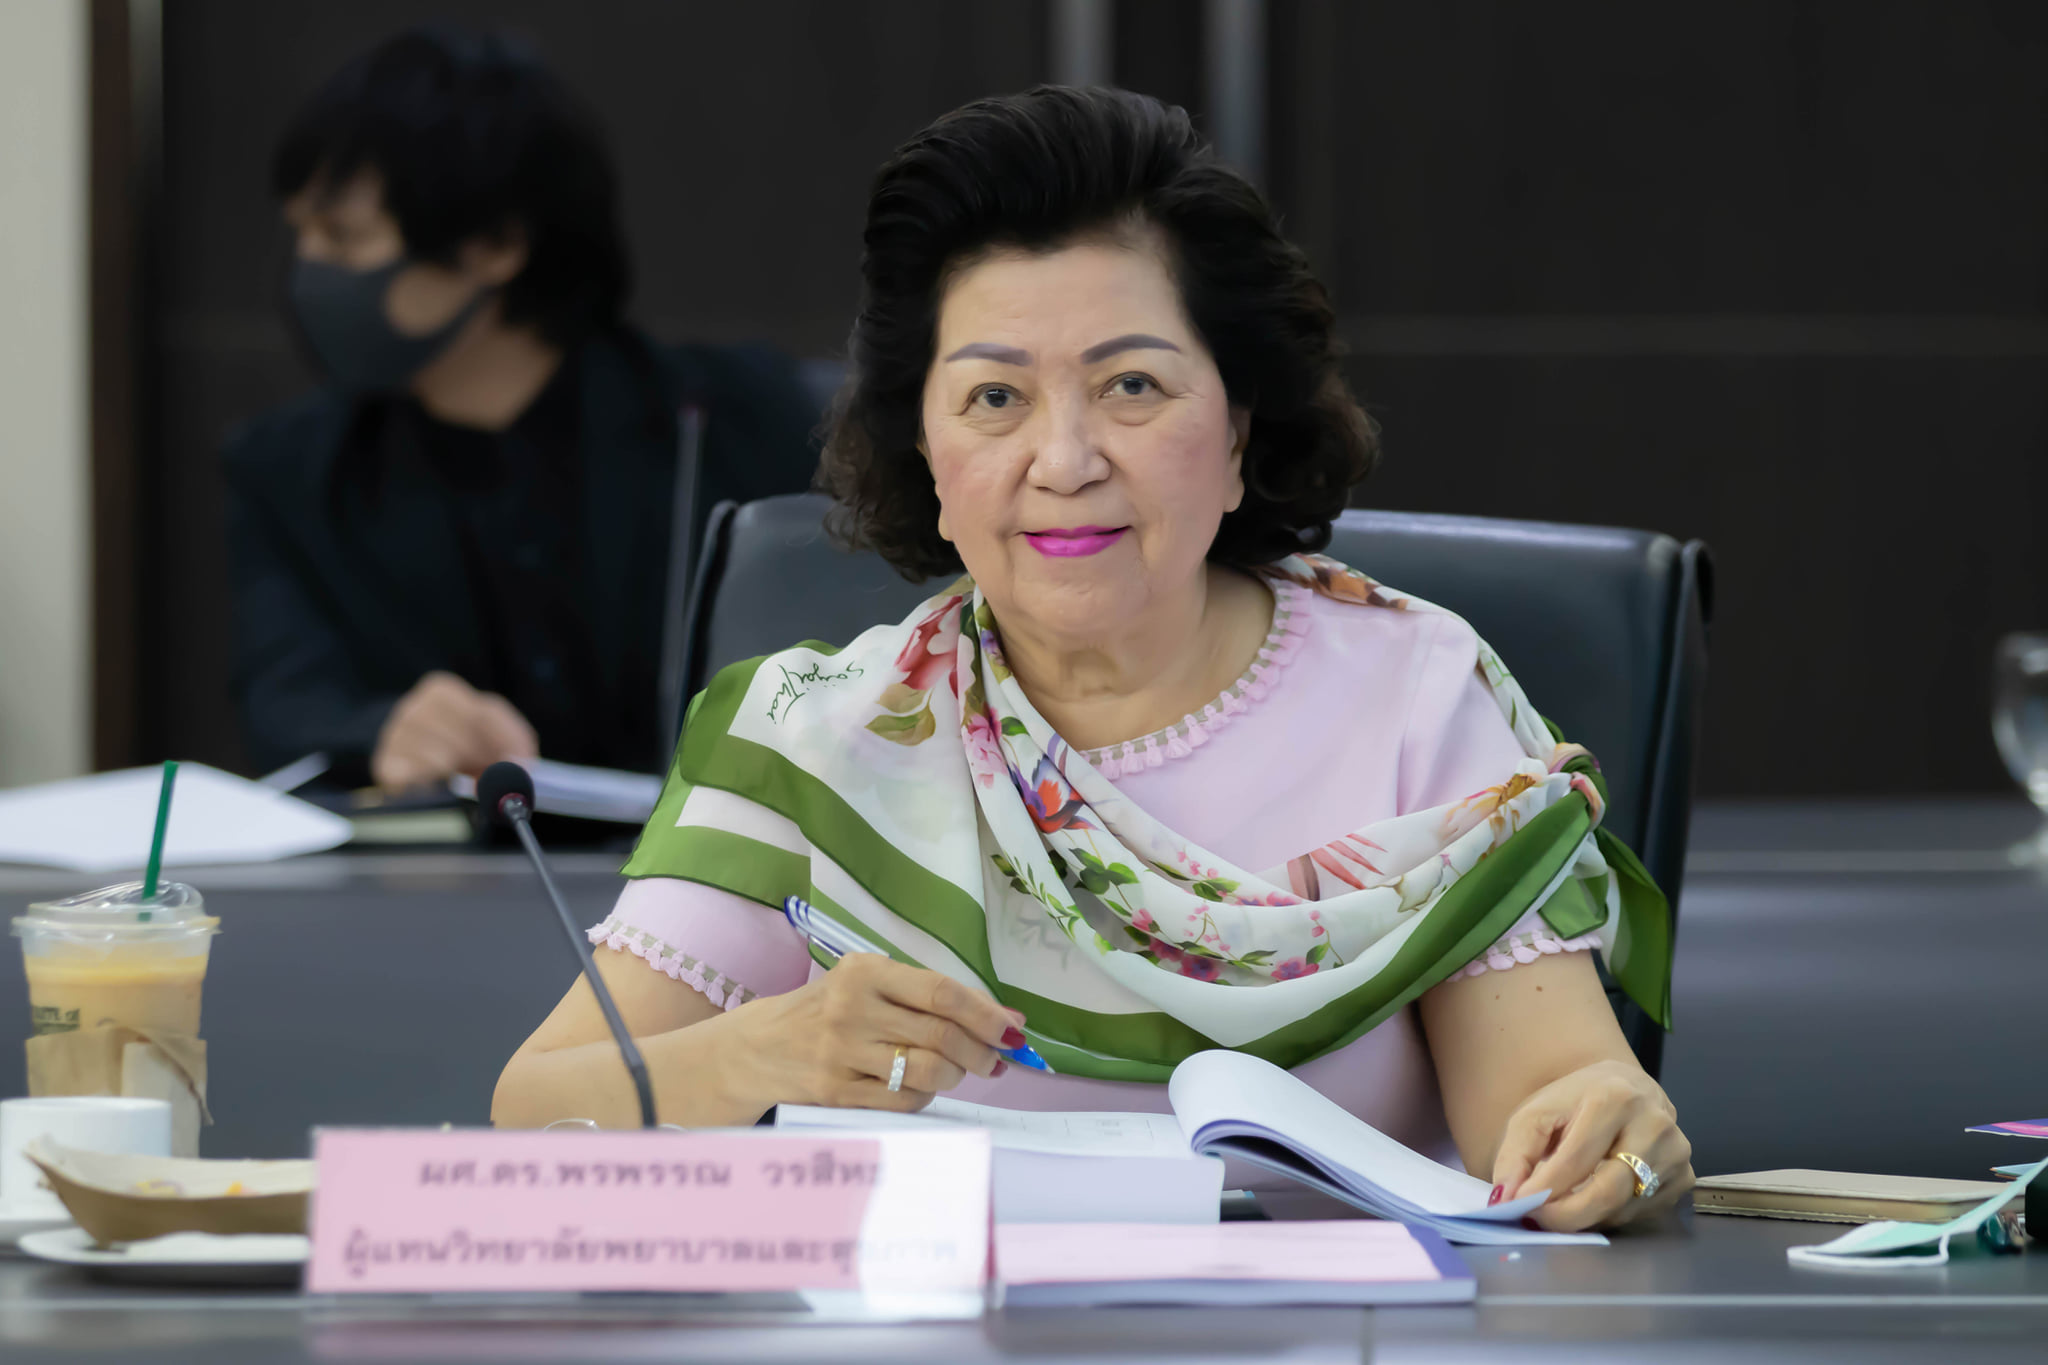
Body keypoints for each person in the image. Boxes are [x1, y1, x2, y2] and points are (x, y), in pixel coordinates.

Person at [495, 87, 1691, 1231]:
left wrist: (1600, 1135)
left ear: (1237, 430)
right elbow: (536, 1121)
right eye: (993, 398)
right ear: (925, 455)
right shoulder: (817, 736)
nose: (1063, 461)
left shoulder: (1412, 697)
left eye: (1130, 385)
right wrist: (765, 1049)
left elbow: (1544, 1107)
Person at [224, 27, 820, 791]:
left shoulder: (737, 420)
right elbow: (282, 698)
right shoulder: (290, 470)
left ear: (496, 245)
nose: (307, 268)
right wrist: (384, 729)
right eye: (300, 232)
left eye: (342, 237)